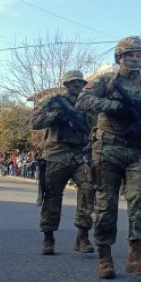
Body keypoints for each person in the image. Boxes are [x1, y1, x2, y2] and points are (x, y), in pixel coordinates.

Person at [76, 36, 141, 279]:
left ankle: (136, 256)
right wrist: (114, 106)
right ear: (120, 57)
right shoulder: (106, 81)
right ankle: (104, 258)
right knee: (106, 204)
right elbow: (83, 100)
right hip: (109, 148)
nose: (135, 59)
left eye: (139, 55)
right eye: (130, 55)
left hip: (140, 151)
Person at [31, 70, 94, 255]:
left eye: (79, 83)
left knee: (89, 190)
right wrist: (56, 116)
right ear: (65, 84)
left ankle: (82, 236)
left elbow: (97, 125)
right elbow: (35, 122)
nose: (76, 85)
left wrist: (93, 142)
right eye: (72, 82)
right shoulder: (53, 101)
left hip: (81, 154)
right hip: (56, 154)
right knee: (51, 196)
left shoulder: (88, 104)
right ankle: (48, 238)